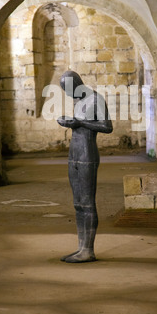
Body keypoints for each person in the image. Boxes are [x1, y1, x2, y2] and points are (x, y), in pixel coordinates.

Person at [57, 70, 113, 263]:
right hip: (74, 154)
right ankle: (81, 247)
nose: (69, 95)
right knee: (78, 203)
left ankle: (88, 250)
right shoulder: (78, 100)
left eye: (70, 90)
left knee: (88, 203)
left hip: (88, 153)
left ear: (78, 84)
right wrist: (71, 123)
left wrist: (79, 122)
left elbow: (107, 126)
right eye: (66, 92)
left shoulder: (95, 99)